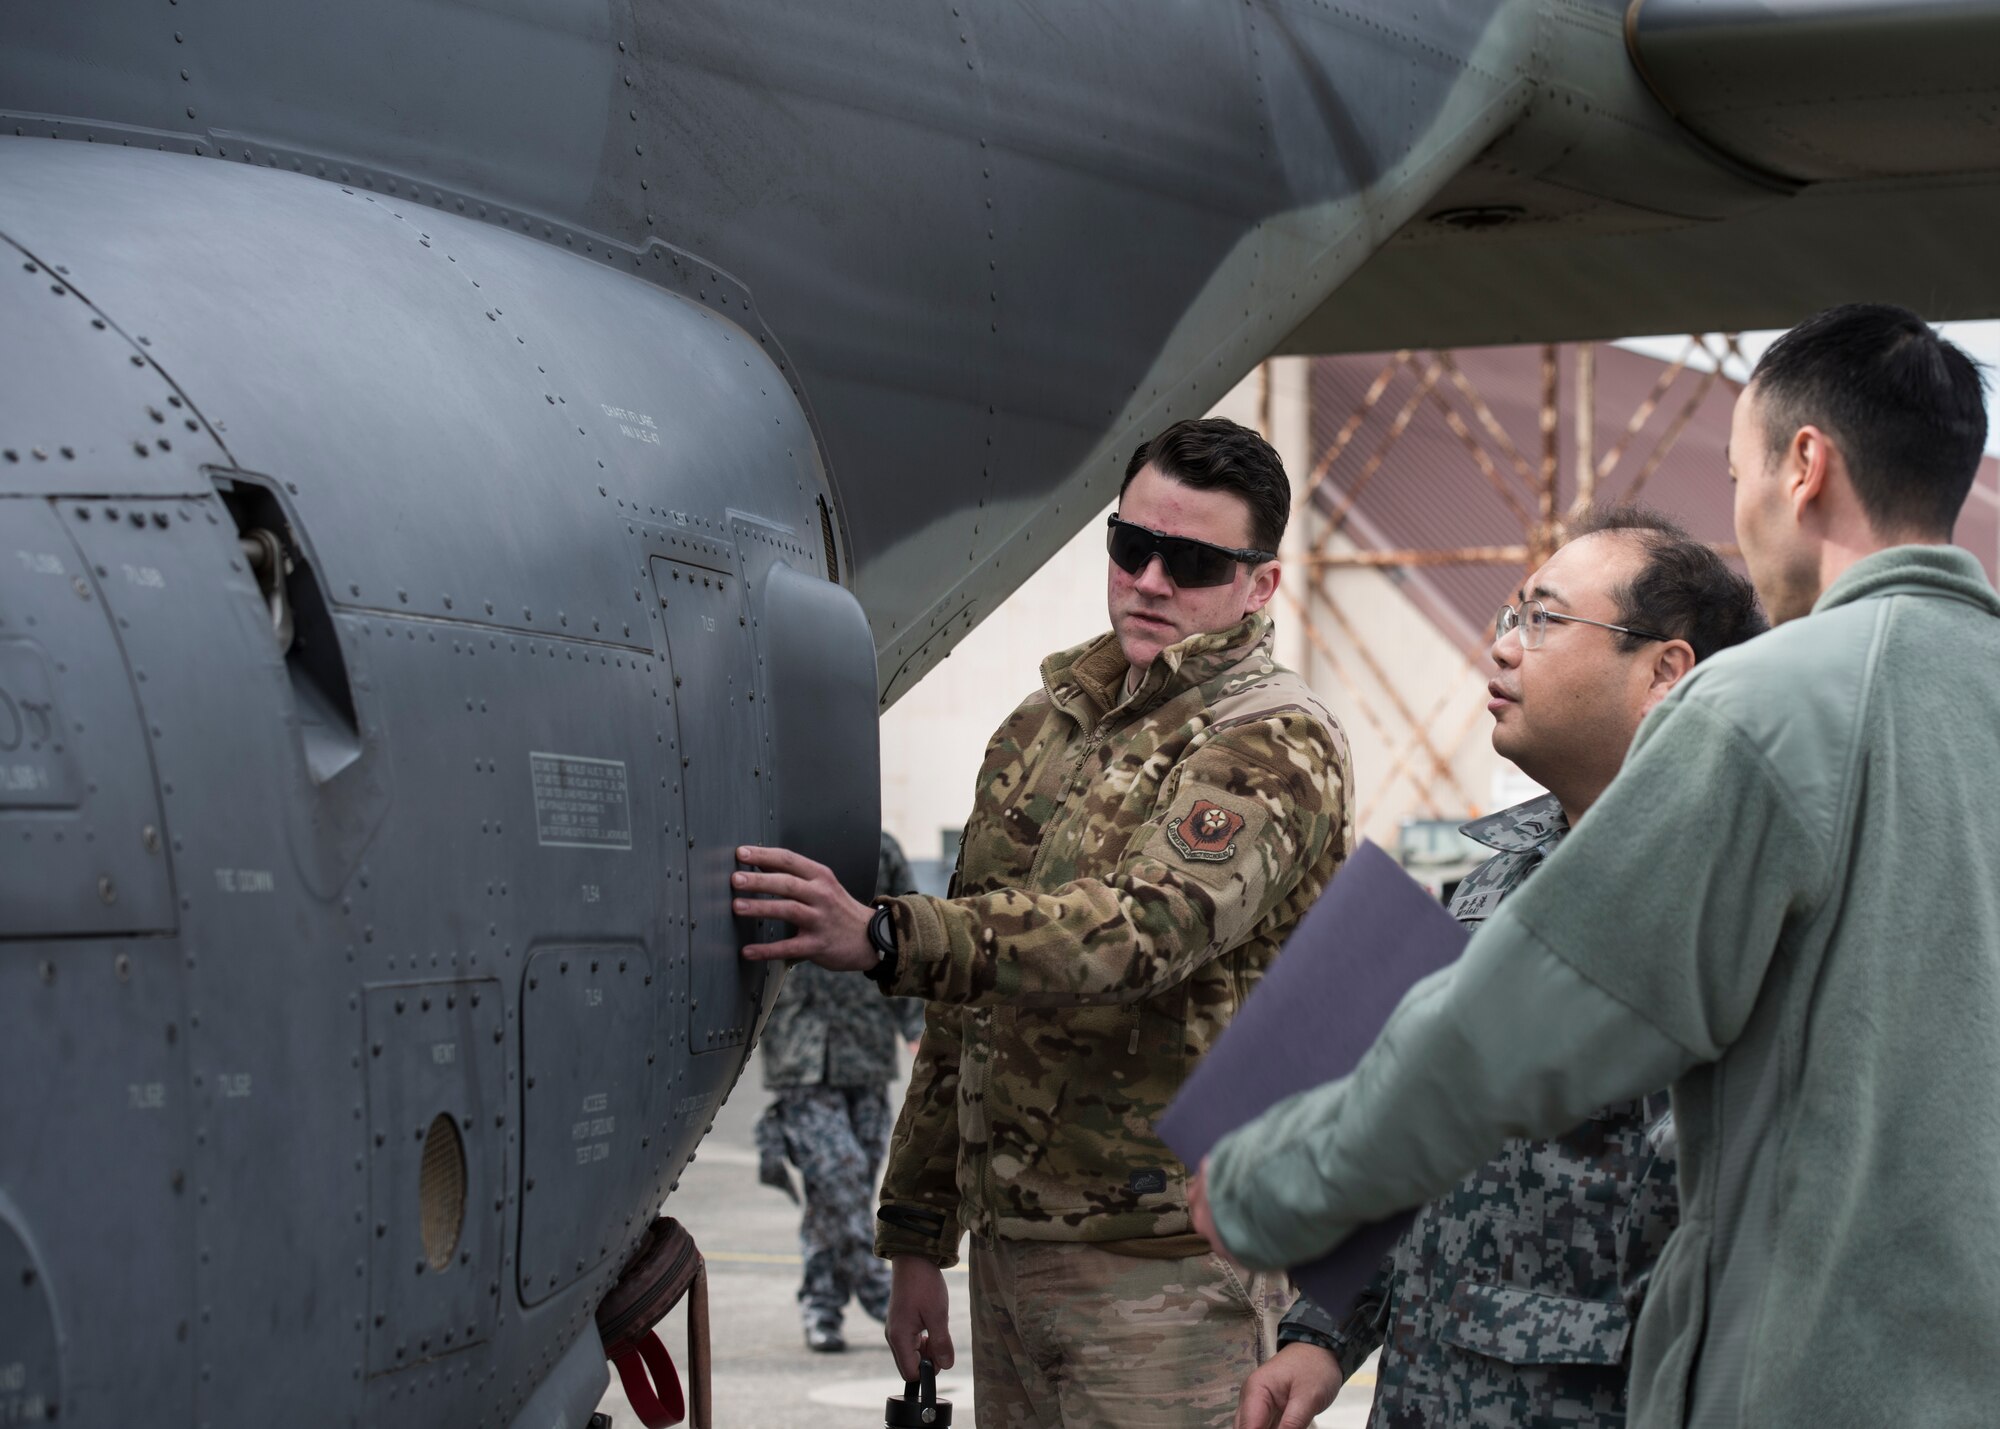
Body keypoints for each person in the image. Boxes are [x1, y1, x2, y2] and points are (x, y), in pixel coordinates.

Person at [1194, 304, 2000, 1429]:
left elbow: (1499, 1035)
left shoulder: (1762, 710)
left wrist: (1264, 1183)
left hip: (1796, 1377)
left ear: (1802, 466)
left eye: (1736, 473)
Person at [735, 416, 1353, 1428]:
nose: (1150, 579)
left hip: (1169, 1276)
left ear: (1259, 585)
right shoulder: (1041, 729)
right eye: (1130, 545)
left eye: (1192, 560)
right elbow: (965, 1004)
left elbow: (1141, 932)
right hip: (1011, 1253)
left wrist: (891, 934)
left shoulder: (1272, 737)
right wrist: (917, 1238)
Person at [1241, 509, 1765, 1429]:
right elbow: (1416, 1147)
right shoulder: (1494, 882)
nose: (1505, 648)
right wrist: (1322, 1332)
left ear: (1664, 672)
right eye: (1509, 615)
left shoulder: (1715, 907)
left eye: (1544, 620)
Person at [753, 830, 926, 1352]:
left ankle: (821, 1306)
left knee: (840, 1192)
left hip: (866, 1047)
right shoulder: (771, 846)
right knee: (840, 1174)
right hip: (799, 1050)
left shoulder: (881, 850)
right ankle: (876, 1288)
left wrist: (915, 1026)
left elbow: (909, 935)